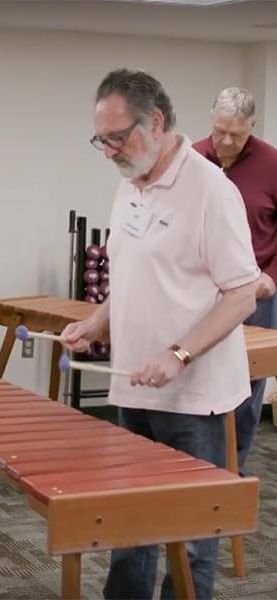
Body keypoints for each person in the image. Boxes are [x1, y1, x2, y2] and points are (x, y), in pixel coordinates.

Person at [62, 69, 258, 599]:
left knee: (190, 532)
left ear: (157, 121)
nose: (109, 151)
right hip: (135, 388)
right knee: (131, 519)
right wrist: (97, 322)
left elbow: (242, 294)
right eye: (100, 140)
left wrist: (179, 353)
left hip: (195, 399)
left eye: (117, 138)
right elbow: (129, 274)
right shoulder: (129, 182)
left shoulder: (211, 191)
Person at [193, 87, 277, 473]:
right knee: (196, 378)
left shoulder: (272, 164)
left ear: (252, 127)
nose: (225, 142)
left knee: (245, 387)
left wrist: (272, 278)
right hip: (200, 294)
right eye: (219, 131)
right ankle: (193, 466)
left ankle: (231, 469)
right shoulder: (190, 159)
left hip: (255, 294)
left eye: (236, 135)